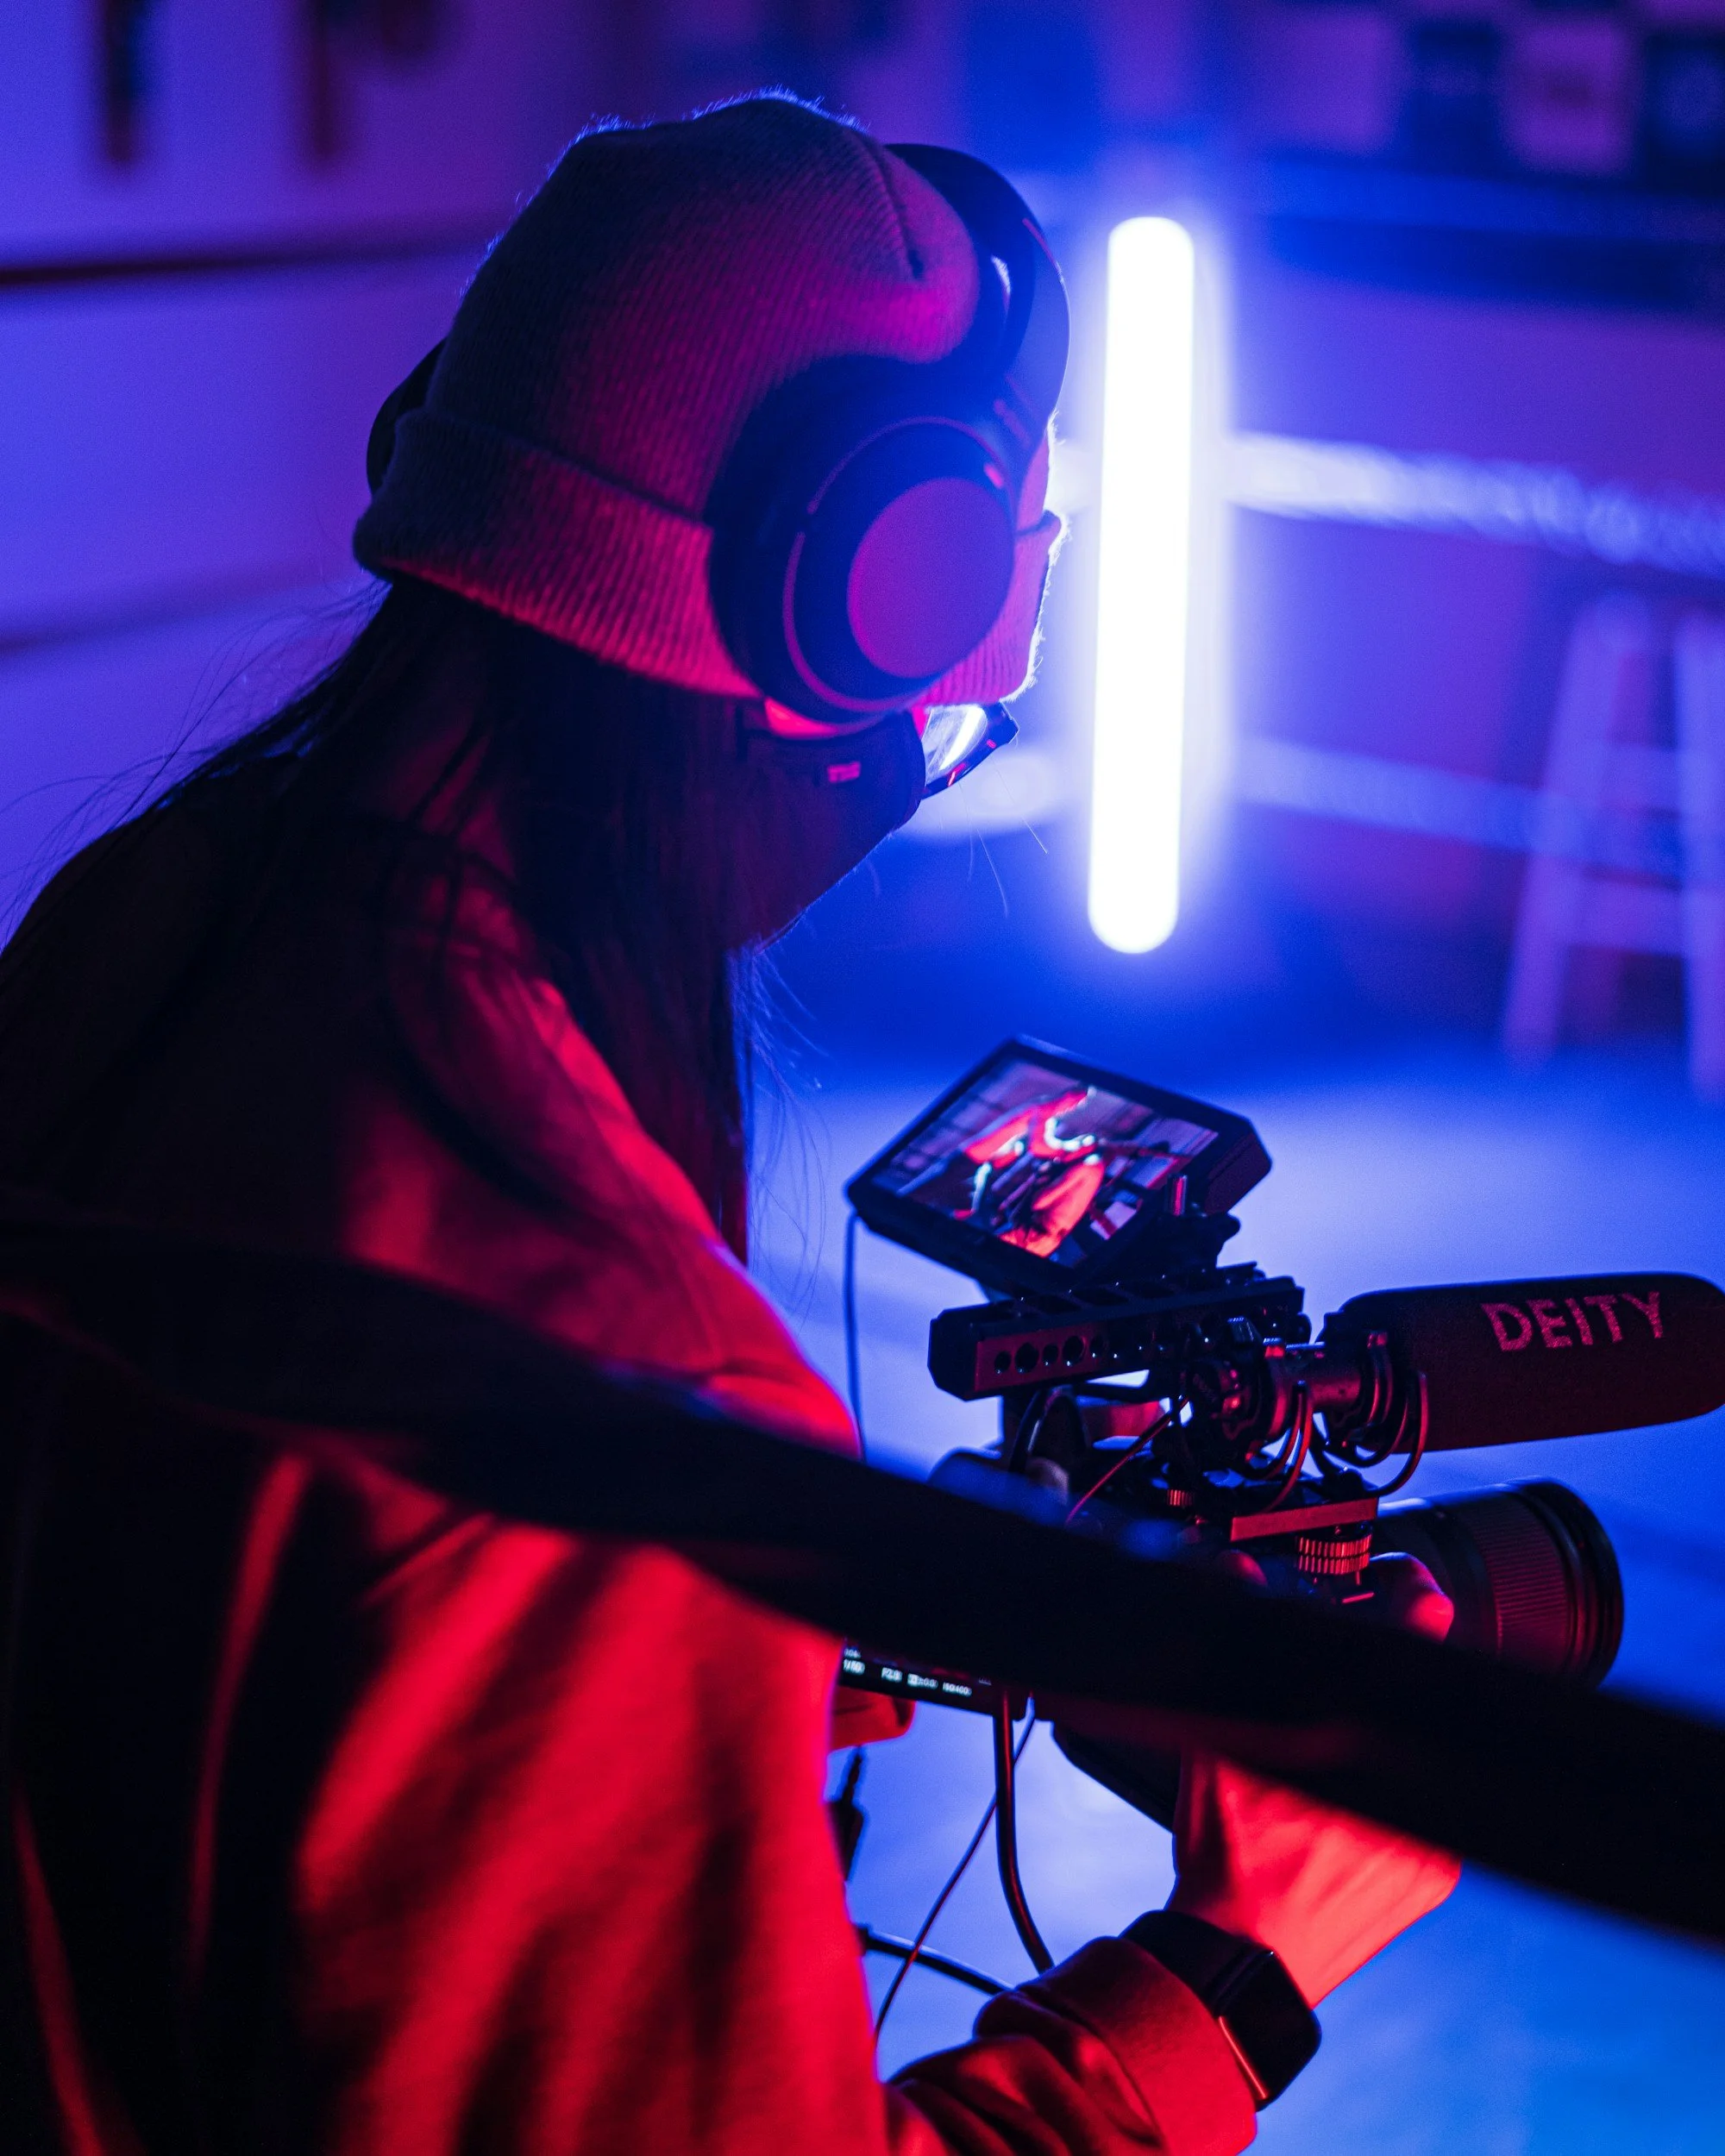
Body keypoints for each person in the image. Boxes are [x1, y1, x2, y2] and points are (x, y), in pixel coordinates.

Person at [0, 97, 1458, 2153]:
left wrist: (724, 1697)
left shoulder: (125, 941)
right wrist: (1225, 1969)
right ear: (846, 609)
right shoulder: (617, 1393)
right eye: (943, 730)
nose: (892, 812)